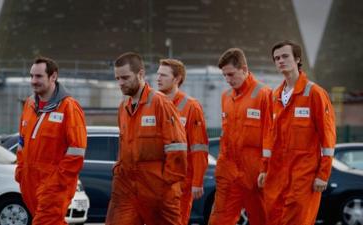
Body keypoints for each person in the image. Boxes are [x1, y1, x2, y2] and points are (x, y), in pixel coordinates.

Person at [105, 52, 188, 225]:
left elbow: (177, 148)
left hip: (157, 190)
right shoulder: (124, 108)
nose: (120, 83)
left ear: (140, 74)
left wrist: (165, 186)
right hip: (126, 188)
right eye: (117, 78)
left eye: (125, 77)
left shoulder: (160, 104)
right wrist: (118, 172)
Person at [262, 40, 336, 225]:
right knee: (274, 219)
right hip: (276, 176)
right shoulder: (274, 96)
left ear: (297, 59)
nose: (280, 61)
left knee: (299, 220)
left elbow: (328, 138)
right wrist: (264, 169)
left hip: (304, 176)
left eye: (285, 56)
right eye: (276, 58)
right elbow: (269, 137)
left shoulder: (315, 94)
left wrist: (322, 175)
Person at [15, 56, 87, 225]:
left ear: (53, 77)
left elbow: (77, 151)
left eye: (39, 76)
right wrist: (21, 171)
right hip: (29, 181)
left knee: (44, 222)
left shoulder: (69, 107)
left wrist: (56, 182)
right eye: (31, 76)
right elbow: (21, 141)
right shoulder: (29, 104)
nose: (33, 81)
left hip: (54, 184)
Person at [208, 48, 272, 225]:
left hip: (254, 174)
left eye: (231, 74)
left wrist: (265, 169)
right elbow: (226, 136)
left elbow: (270, 136)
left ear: (244, 69)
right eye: (225, 76)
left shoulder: (264, 95)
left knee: (262, 220)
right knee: (218, 220)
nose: (228, 80)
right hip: (229, 172)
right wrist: (222, 168)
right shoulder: (226, 97)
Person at [156, 58, 209, 225]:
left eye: (163, 75)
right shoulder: (154, 104)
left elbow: (199, 146)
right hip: (156, 180)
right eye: (158, 74)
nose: (158, 78)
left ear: (177, 79)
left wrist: (197, 181)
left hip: (180, 183)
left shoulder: (191, 107)